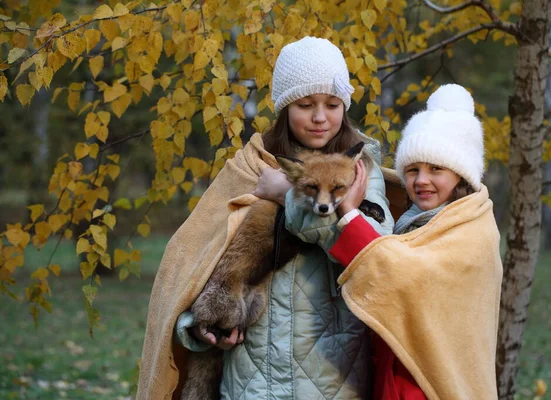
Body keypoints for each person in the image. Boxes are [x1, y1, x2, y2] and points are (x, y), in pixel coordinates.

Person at [136, 36, 394, 399]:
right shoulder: (251, 166)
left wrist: (285, 197)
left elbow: (377, 255)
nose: (320, 117)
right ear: (286, 106)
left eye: (333, 104)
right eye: (305, 104)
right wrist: (197, 328)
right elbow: (197, 261)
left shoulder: (360, 169)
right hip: (250, 378)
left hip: (332, 378)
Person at [327, 84, 503, 400]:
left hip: (426, 388)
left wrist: (350, 215)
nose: (421, 180)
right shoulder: (415, 218)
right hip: (394, 380)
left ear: (461, 175)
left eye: (436, 169)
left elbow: (404, 278)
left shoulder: (473, 230)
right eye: (412, 170)